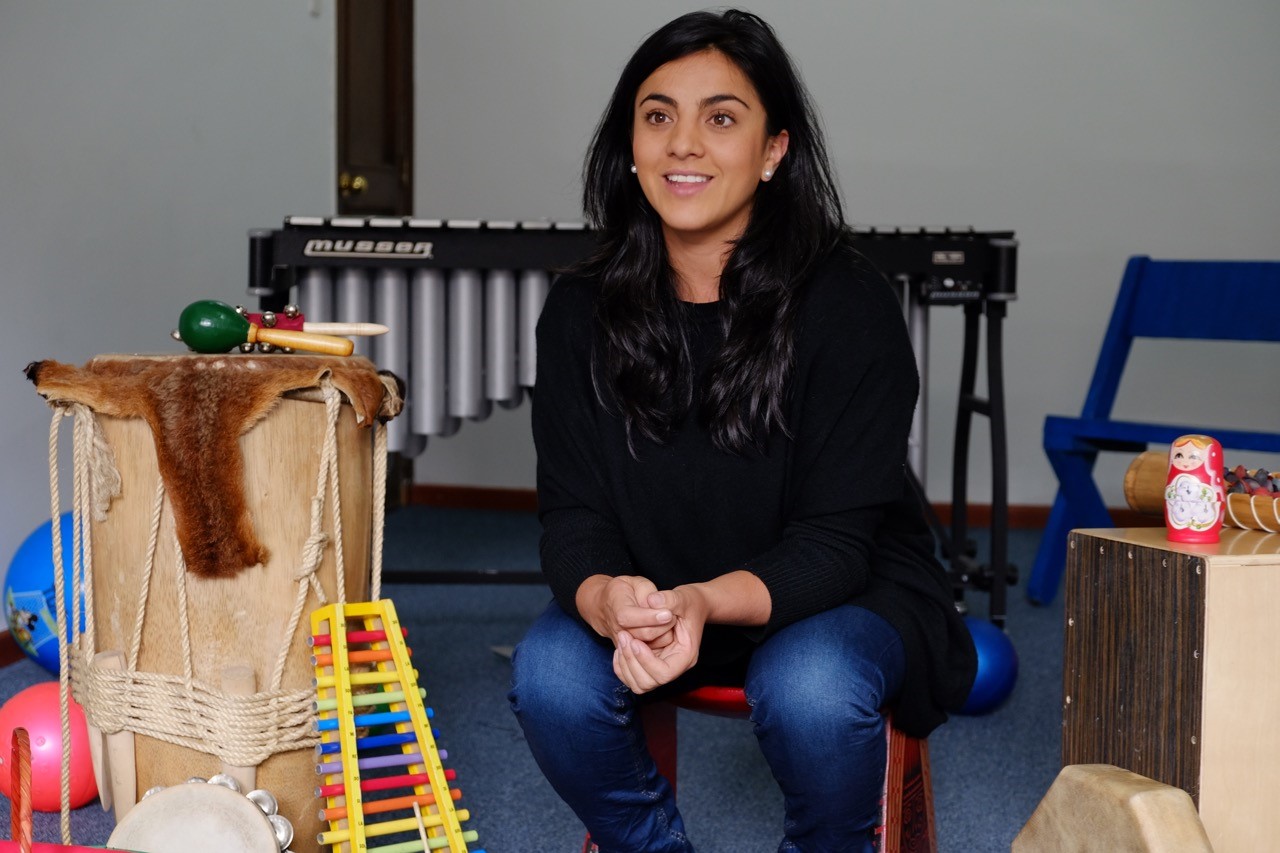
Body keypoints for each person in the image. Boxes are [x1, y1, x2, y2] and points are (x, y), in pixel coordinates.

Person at [508, 9, 976, 852]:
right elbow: (573, 516)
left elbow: (835, 547)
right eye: (658, 116)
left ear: (773, 151)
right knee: (549, 676)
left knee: (810, 688)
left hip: (837, 598)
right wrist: (608, 597)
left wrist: (702, 600)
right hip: (660, 596)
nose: (683, 143)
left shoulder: (848, 304)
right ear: (631, 144)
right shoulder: (580, 309)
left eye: (721, 118)